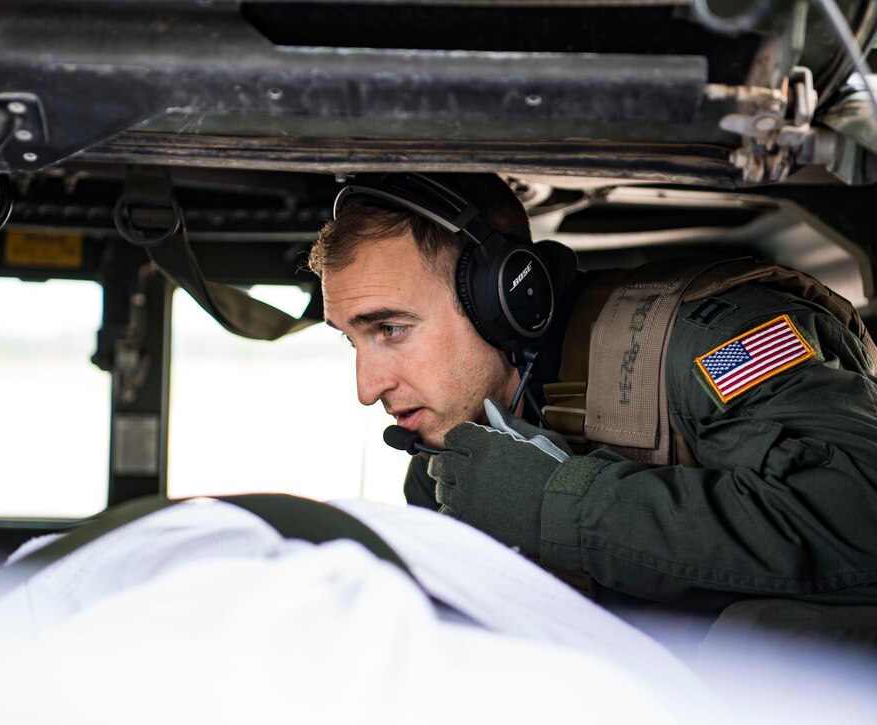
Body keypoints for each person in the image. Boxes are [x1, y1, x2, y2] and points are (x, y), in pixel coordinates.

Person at [307, 171, 877, 637]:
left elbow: (859, 524)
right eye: (352, 340)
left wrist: (557, 505)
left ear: (502, 299)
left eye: (391, 329)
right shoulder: (454, 457)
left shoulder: (712, 341)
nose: (366, 388)